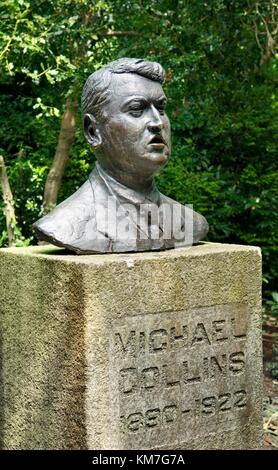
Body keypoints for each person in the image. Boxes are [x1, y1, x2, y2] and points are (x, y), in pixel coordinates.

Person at [33, 58, 208, 254]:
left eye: (160, 108)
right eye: (136, 109)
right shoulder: (66, 224)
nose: (157, 122)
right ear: (93, 131)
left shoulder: (190, 222)